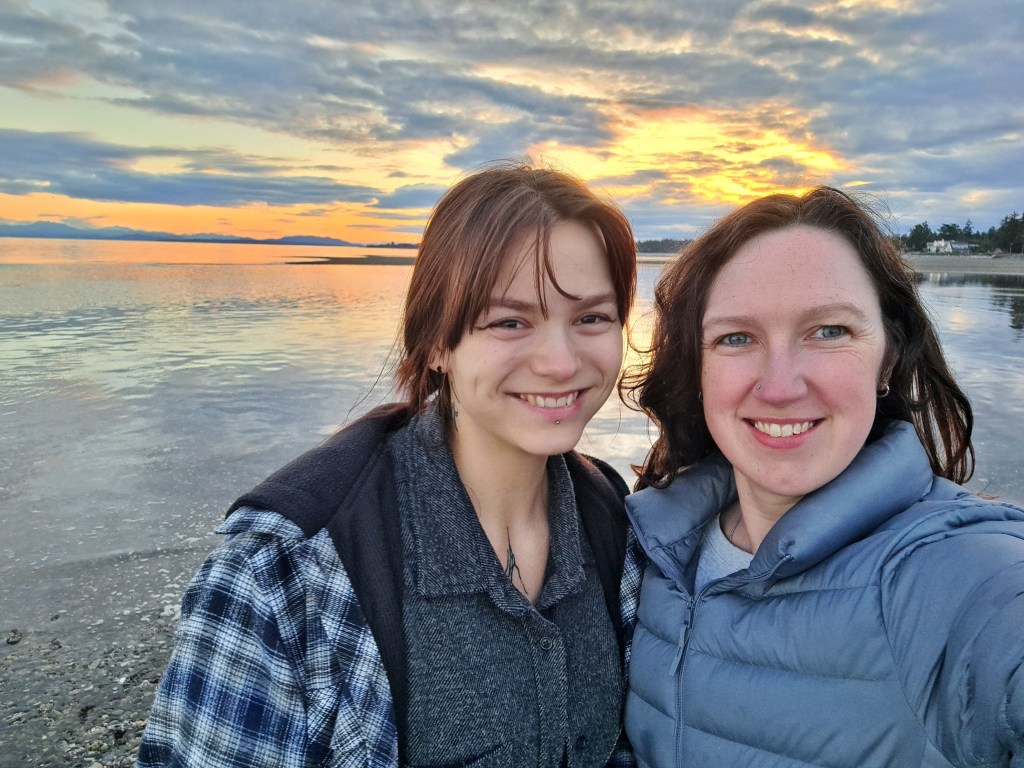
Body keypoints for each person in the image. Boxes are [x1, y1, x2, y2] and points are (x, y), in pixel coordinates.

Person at [137, 162, 642, 768]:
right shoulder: (284, 573)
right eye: (510, 322)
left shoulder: (611, 518)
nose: (560, 362)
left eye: (591, 318)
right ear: (436, 343)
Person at [621, 186, 1024, 767]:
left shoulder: (951, 572)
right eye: (736, 338)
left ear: (888, 358)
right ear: (698, 368)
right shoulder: (653, 548)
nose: (780, 387)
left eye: (829, 331)